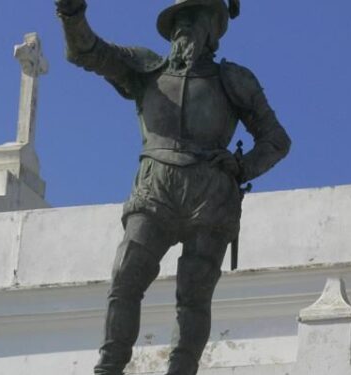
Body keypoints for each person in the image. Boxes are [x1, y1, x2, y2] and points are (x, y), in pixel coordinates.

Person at [55, 0, 291, 374]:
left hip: (210, 197)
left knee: (194, 296)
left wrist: (243, 166)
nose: (185, 26)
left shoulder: (234, 80)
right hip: (155, 189)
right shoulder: (145, 69)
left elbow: (276, 140)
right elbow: (87, 52)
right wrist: (72, 14)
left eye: (194, 18)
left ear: (213, 27)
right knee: (126, 276)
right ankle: (109, 366)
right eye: (179, 19)